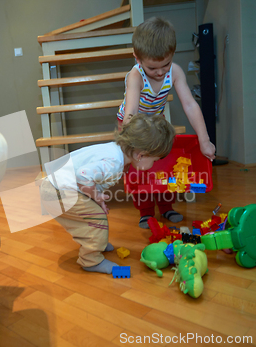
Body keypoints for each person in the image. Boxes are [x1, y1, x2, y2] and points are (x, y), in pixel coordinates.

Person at [40, 114, 175, 274]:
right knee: (97, 219)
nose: (153, 164)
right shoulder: (114, 162)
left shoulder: (115, 150)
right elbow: (83, 175)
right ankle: (90, 260)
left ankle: (97, 243)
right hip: (59, 191)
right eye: (154, 160)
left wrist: (96, 198)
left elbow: (89, 179)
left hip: (54, 187)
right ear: (141, 155)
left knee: (94, 217)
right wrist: (96, 197)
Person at [117, 17, 216, 229]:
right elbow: (131, 112)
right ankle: (145, 212)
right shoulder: (135, 77)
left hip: (156, 122)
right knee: (140, 168)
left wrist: (204, 140)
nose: (161, 72)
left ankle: (166, 206)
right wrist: (132, 146)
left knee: (164, 165)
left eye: (166, 65)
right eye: (153, 68)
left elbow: (190, 105)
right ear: (137, 58)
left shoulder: (175, 72)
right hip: (133, 125)